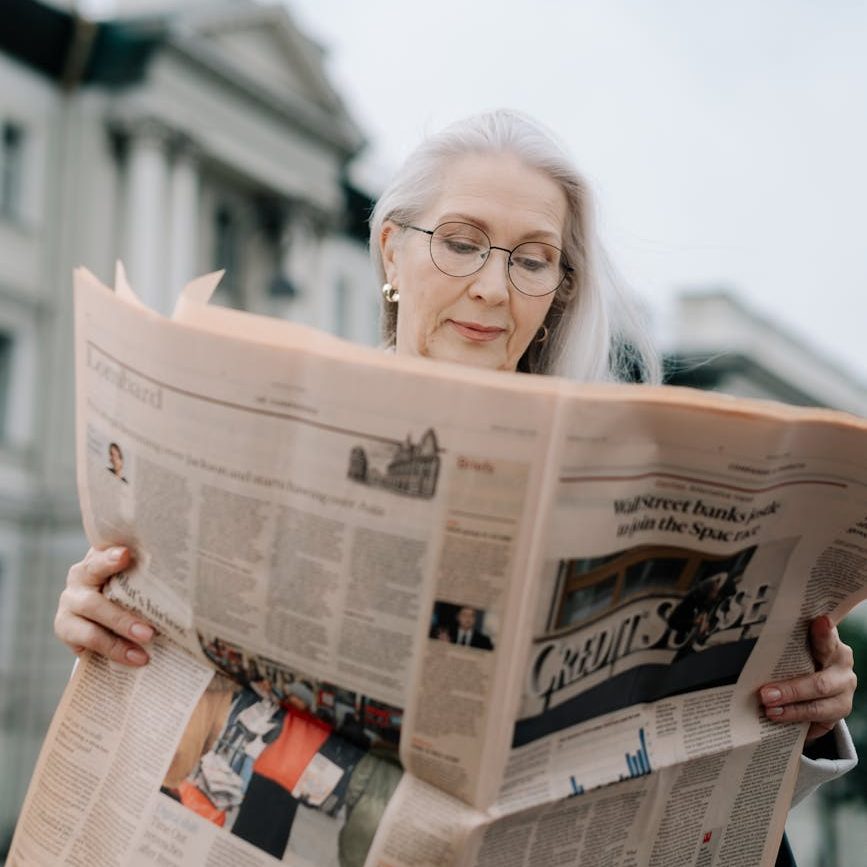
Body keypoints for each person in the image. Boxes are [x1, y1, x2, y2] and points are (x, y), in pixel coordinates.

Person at [54, 110, 856, 855]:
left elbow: (684, 816)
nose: (492, 287)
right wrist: (104, 621)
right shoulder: (268, 439)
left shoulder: (617, 490)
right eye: (462, 241)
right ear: (390, 249)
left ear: (557, 292)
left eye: (532, 260)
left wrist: (796, 719)